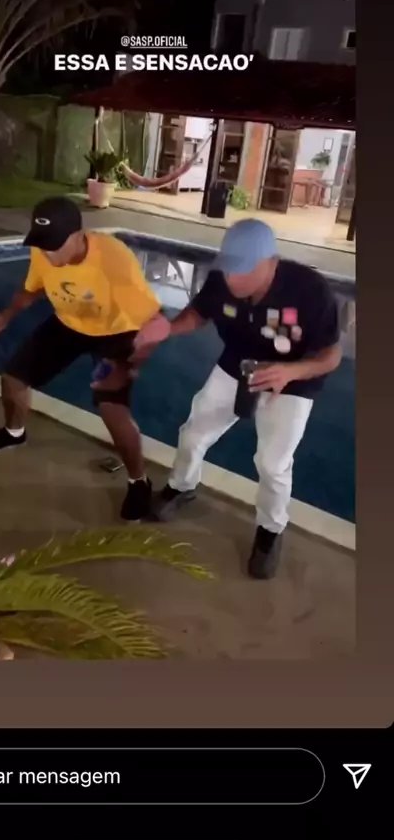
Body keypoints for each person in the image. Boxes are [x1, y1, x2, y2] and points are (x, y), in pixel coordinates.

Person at [133, 219, 342, 579]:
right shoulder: (222, 278)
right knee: (194, 432)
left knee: (273, 463)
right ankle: (181, 487)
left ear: (271, 263)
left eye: (244, 270)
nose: (233, 279)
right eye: (229, 268)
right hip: (237, 364)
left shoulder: (309, 290)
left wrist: (292, 372)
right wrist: (169, 327)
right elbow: (198, 314)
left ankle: (270, 530)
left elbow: (331, 355)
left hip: (290, 378)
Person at [0, 197, 164, 522]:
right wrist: (3, 318)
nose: (48, 254)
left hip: (116, 332)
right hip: (69, 323)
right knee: (12, 379)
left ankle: (139, 482)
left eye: (55, 246)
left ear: (78, 235)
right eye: (42, 244)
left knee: (112, 408)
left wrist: (129, 367)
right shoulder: (43, 248)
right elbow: (32, 289)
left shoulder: (114, 259)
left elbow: (155, 323)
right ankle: (14, 432)